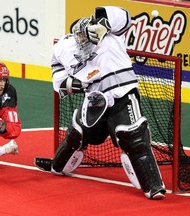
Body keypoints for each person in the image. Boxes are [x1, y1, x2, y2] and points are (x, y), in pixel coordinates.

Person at [34, 6, 166, 200]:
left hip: (122, 92)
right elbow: (57, 70)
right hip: (95, 100)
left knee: (132, 136)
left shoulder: (111, 35)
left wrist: (103, 23)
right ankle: (57, 165)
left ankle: (154, 186)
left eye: (85, 34)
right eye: (79, 35)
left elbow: (124, 16)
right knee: (78, 132)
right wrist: (71, 83)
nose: (83, 39)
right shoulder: (65, 46)